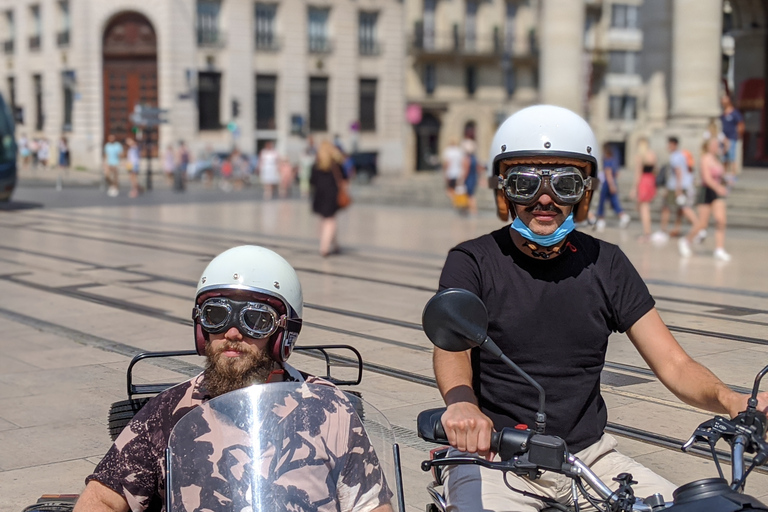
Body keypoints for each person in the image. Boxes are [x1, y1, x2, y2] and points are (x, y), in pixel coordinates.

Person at [433, 105, 767, 512]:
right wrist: (462, 403)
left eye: (565, 184)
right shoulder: (472, 261)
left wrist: (733, 400)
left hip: (588, 457)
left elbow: (675, 364)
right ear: (504, 188)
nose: (544, 199)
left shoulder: (606, 263)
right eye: (524, 183)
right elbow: (452, 347)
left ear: (585, 190)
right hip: (495, 457)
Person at [72, 245, 392, 512]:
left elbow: (372, 505)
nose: (233, 332)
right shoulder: (166, 413)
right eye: (216, 315)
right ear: (201, 329)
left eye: (256, 319)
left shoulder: (327, 406)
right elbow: (100, 499)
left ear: (283, 334)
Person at [678, 136, 731, 261]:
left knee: (721, 220)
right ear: (707, 146)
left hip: (717, 194)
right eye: (714, 144)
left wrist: (727, 180)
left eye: (717, 144)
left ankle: (719, 249)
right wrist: (718, 188)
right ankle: (686, 240)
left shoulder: (718, 159)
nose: (716, 146)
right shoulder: (705, 159)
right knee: (702, 223)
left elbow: (722, 175)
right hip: (707, 192)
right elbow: (706, 179)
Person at [310, 140, 347, 257]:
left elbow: (312, 181)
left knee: (325, 220)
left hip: (319, 195)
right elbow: (345, 177)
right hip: (332, 194)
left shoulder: (316, 165)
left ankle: (335, 245)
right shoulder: (335, 164)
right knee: (330, 221)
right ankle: (324, 247)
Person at [661, 137, 698, 238]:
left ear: (673, 144)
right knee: (680, 209)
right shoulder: (682, 155)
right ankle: (677, 228)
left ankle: (663, 230)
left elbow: (678, 173)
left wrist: (678, 189)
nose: (668, 147)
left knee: (666, 207)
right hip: (684, 185)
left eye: (669, 144)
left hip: (675, 186)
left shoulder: (674, 157)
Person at [594, 143, 630, 232]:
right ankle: (623, 216)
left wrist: (611, 185)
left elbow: (608, 173)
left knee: (602, 201)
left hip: (608, 183)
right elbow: (616, 173)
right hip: (613, 182)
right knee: (613, 201)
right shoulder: (614, 161)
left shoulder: (607, 160)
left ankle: (601, 220)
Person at [630, 137, 657, 241]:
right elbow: (655, 170)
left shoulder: (640, 156)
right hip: (651, 180)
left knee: (643, 209)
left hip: (643, 182)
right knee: (646, 207)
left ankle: (647, 233)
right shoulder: (652, 154)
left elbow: (638, 173)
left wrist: (634, 188)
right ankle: (647, 231)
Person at [720, 93, 745, 175]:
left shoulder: (735, 113)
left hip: (731, 138)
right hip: (723, 138)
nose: (722, 101)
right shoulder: (722, 113)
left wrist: (739, 135)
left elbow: (740, 125)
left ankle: (734, 173)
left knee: (732, 156)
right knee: (724, 158)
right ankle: (724, 174)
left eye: (724, 99)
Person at [442, 138, 464, 203]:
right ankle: (456, 201)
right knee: (456, 188)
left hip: (450, 172)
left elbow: (447, 163)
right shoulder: (459, 151)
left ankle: (454, 200)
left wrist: (445, 172)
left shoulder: (448, 151)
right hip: (458, 172)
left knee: (449, 189)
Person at [461, 138, 479, 216]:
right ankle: (472, 210)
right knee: (471, 195)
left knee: (469, 195)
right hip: (473, 177)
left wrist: (462, 179)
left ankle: (473, 211)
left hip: (469, 178)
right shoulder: (474, 158)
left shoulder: (467, 158)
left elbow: (466, 170)